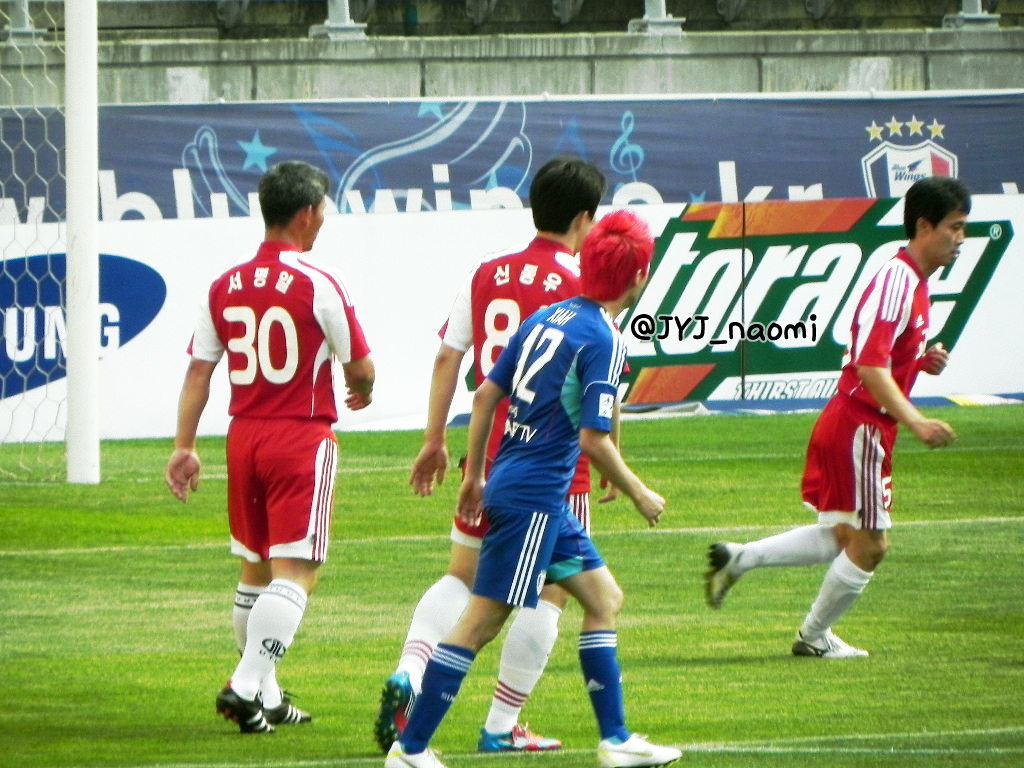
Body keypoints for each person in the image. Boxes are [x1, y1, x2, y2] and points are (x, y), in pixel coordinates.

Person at [384, 209, 682, 768]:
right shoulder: (604, 337)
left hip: (520, 485)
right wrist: (638, 491)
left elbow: (483, 396)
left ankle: (616, 740)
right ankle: (411, 749)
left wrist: (475, 475)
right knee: (480, 624)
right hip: (536, 499)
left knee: (604, 599)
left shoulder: (548, 316)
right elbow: (594, 439)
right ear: (640, 276)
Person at [375, 155, 612, 755]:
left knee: (463, 575)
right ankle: (503, 723)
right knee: (554, 591)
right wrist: (614, 457)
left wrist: (435, 439)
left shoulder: (487, 269)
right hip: (554, 459)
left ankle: (410, 670)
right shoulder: (585, 284)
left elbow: (448, 357)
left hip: (487, 453)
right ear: (585, 218)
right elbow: (600, 380)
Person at [704, 176, 969, 658]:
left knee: (843, 534)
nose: (961, 238)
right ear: (924, 226)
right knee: (872, 544)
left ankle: (743, 557)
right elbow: (869, 366)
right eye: (954, 226)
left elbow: (883, 357)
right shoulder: (898, 281)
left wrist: (919, 361)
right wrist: (917, 421)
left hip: (855, 422)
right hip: (862, 426)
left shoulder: (911, 281)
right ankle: (813, 637)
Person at [165, 160, 375, 732]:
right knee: (297, 571)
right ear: (306, 213)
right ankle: (244, 683)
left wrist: (184, 445)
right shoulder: (321, 280)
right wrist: (363, 392)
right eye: (323, 209)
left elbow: (199, 371)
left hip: (244, 437)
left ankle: (267, 694)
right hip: (299, 434)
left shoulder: (224, 284)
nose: (324, 218)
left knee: (255, 569)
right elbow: (360, 365)